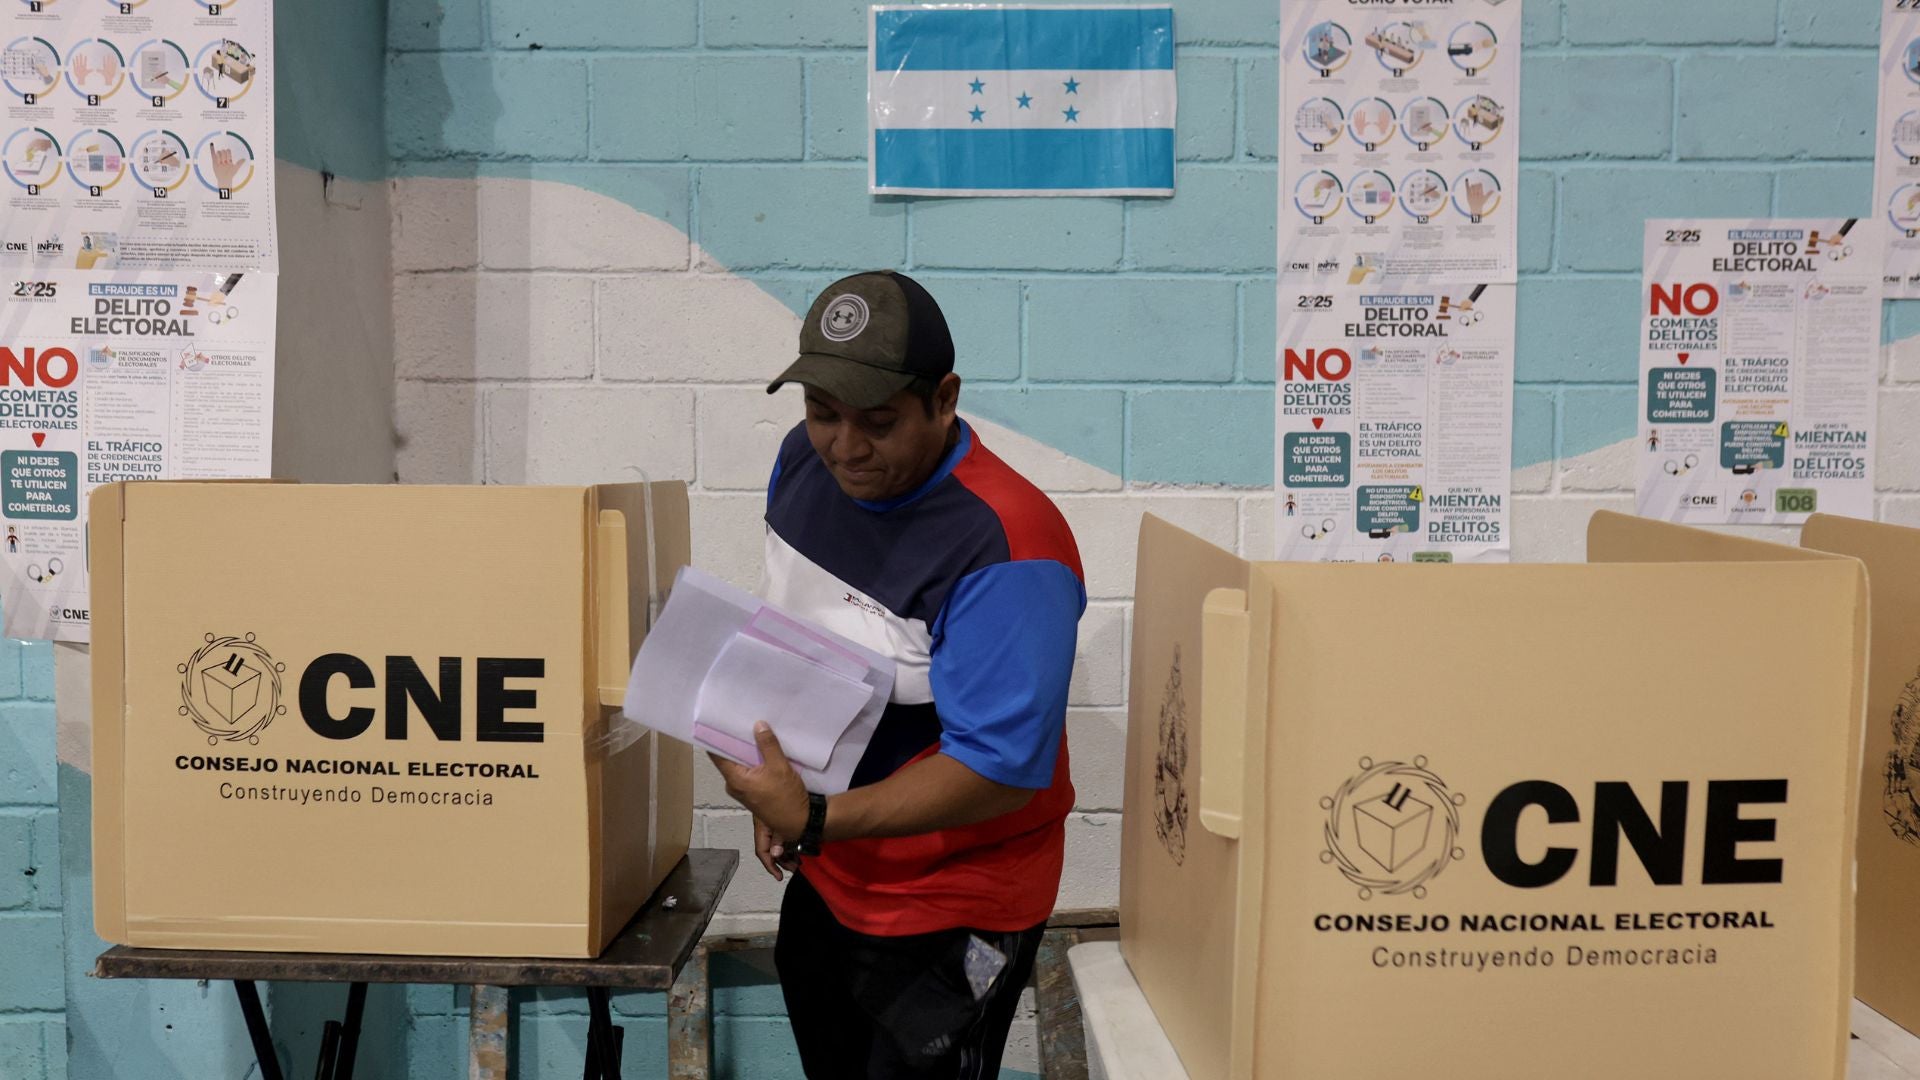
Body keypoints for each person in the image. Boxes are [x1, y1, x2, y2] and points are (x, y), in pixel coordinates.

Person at [710, 270, 1085, 1079]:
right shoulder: (801, 466)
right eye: (822, 414)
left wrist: (812, 812)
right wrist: (789, 786)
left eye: (878, 423)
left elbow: (997, 772)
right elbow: (802, 631)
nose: (845, 447)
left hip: (956, 906)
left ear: (944, 399)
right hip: (833, 867)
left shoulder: (1008, 547)